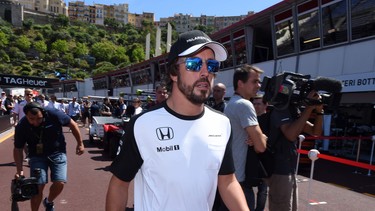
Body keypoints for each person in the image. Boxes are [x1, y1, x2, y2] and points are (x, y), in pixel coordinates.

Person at [106, 30, 249, 211]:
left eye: (212, 65)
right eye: (194, 64)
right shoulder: (142, 125)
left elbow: (227, 180)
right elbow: (119, 184)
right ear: (174, 73)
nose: (205, 72)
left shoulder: (222, 123)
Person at [13, 102, 85, 211]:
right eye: (31, 119)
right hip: (37, 156)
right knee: (37, 187)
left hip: (58, 153)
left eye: (39, 119)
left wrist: (80, 143)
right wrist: (19, 170)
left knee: (59, 183)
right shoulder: (22, 126)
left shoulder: (53, 114)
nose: (35, 122)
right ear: (26, 116)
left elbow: (73, 124)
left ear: (43, 114)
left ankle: (49, 201)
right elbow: (18, 148)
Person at [265, 89, 323, 211]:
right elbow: (290, 135)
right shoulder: (280, 110)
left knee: (290, 207)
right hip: (278, 169)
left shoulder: (293, 112)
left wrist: (319, 112)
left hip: (289, 168)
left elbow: (315, 132)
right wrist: (308, 109)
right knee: (281, 207)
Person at [223, 64, 268, 211]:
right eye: (254, 81)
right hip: (239, 181)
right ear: (240, 83)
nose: (259, 85)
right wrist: (261, 138)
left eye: (259, 81)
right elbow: (261, 146)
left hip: (230, 176)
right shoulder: (244, 105)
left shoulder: (231, 103)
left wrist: (254, 137)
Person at [251, 95, 270, 211]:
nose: (256, 106)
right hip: (251, 158)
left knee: (263, 190)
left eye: (259, 103)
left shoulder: (270, 120)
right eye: (254, 104)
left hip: (265, 160)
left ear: (265, 105)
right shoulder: (251, 119)